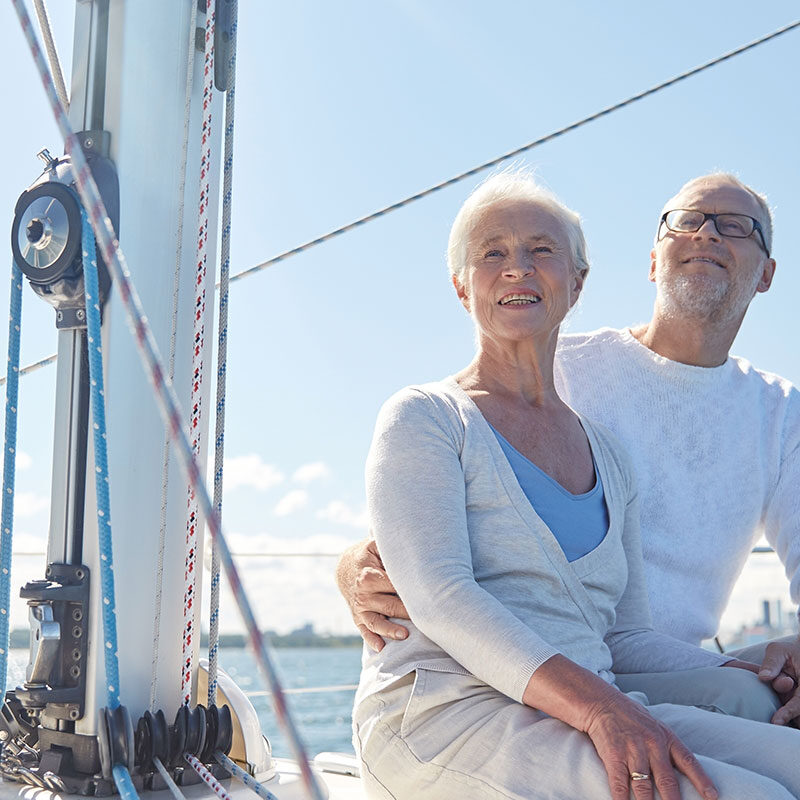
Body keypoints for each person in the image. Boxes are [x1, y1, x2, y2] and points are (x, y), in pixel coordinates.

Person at [353, 172, 800, 800]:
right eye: (492, 253)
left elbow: (622, 633)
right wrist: (357, 562)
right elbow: (435, 584)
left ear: (578, 282)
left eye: (542, 250)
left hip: (600, 687)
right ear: (461, 286)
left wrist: (760, 669)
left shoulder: (609, 452)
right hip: (453, 707)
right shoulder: (427, 414)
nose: (518, 269)